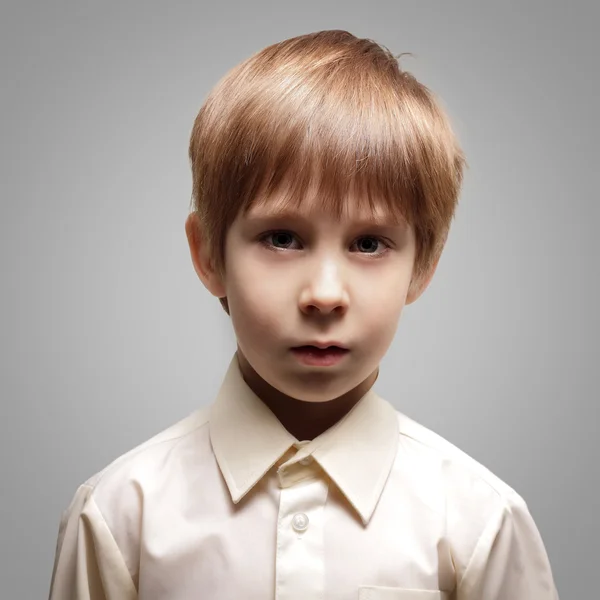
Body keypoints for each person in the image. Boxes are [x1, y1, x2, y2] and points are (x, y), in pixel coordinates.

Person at [48, 29, 559, 599]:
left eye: (369, 244)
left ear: (424, 264)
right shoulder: (121, 517)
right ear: (208, 254)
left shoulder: (480, 524)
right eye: (283, 237)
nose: (324, 294)